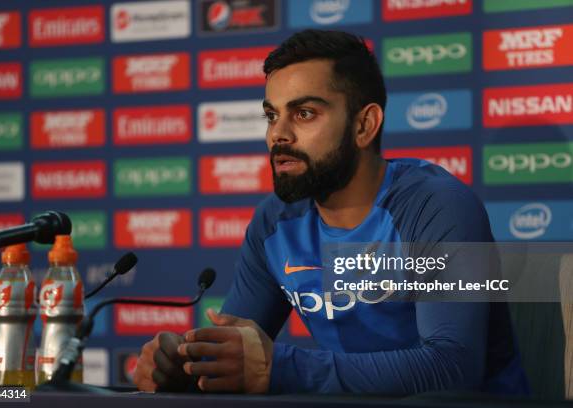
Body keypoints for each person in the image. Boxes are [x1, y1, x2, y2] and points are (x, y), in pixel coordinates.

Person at [133, 29, 529, 395]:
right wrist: (186, 365)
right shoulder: (276, 224)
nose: (278, 134)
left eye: (304, 113)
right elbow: (238, 355)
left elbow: (454, 369)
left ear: (364, 125)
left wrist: (281, 369)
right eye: (272, 115)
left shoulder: (437, 206)